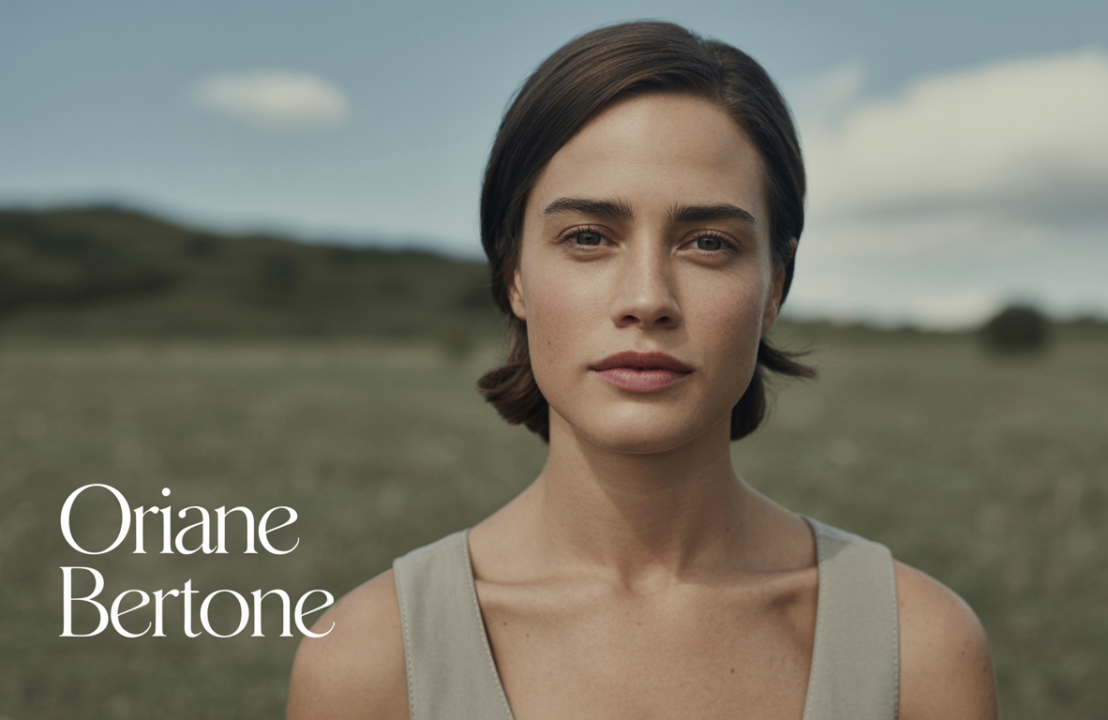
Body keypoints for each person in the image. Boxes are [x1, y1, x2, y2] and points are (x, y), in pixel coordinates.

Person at [287, 21, 998, 720]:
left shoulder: (918, 651)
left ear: (774, 288)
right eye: (588, 237)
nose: (647, 300)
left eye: (709, 242)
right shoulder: (368, 660)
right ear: (514, 278)